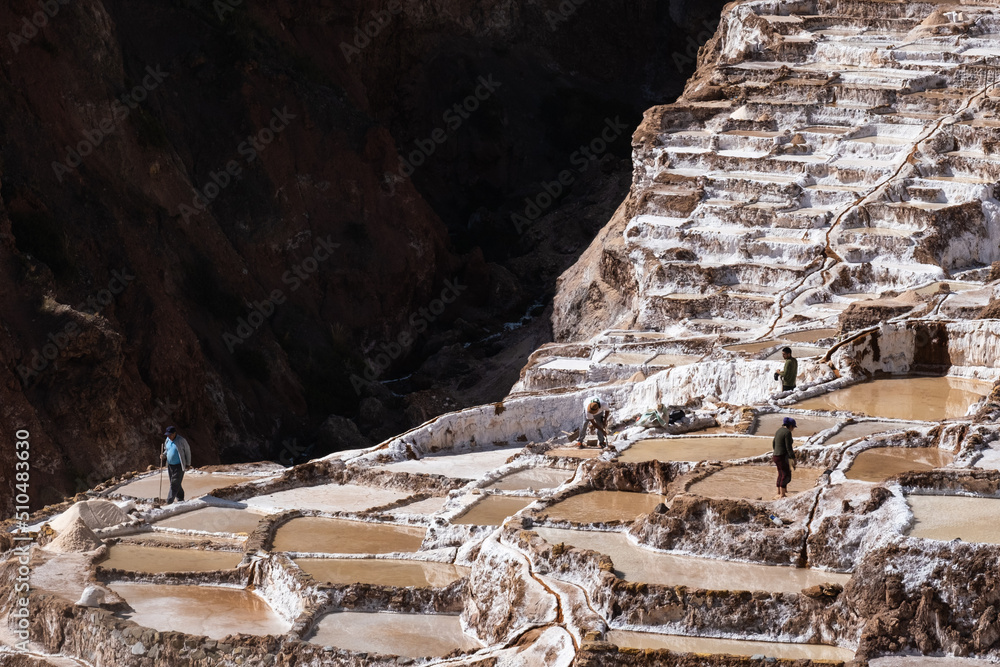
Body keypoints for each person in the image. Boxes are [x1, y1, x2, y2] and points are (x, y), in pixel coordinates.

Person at [161, 426, 192, 503]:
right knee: (176, 483)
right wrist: (163, 455)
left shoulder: (181, 440)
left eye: (170, 435)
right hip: (170, 465)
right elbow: (167, 450)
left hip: (179, 466)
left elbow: (187, 452)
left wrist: (188, 464)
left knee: (174, 483)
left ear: (174, 433)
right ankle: (180, 498)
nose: (169, 436)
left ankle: (169, 501)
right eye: (167, 435)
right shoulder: (167, 440)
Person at [772, 417, 797, 499]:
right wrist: (793, 458)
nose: (793, 429)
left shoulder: (778, 431)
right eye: (793, 427)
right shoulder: (787, 433)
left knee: (780, 473)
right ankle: (782, 495)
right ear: (790, 425)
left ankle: (779, 492)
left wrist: (776, 451)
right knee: (785, 474)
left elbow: (774, 443)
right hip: (782, 456)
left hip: (776, 455)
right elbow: (788, 447)